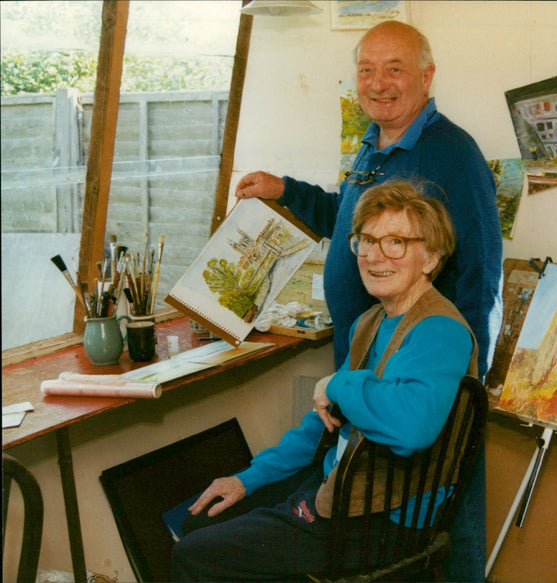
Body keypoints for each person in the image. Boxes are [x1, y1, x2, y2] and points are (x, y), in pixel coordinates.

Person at [235, 21, 499, 581]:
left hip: (423, 376)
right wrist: (284, 190)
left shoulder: (452, 153)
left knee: (441, 528)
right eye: (366, 69)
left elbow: (480, 270)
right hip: (363, 362)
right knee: (367, 519)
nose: (378, 83)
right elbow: (350, 218)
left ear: (426, 77)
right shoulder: (373, 143)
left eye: (395, 68)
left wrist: (462, 386)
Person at [171, 181, 478, 581]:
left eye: (396, 241)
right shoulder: (371, 322)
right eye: (366, 240)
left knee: (193, 555)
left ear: (431, 257)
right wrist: (248, 479)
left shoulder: (439, 330)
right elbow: (323, 424)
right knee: (200, 522)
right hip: (340, 485)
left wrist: (336, 384)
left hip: (381, 519)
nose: (374, 255)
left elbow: (412, 428)